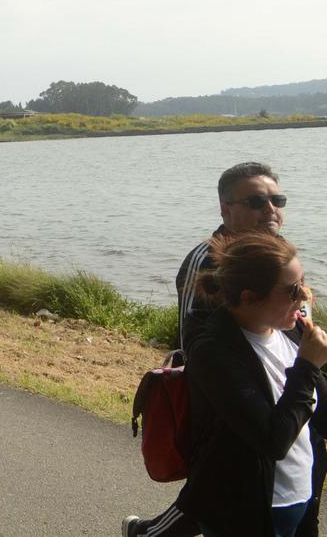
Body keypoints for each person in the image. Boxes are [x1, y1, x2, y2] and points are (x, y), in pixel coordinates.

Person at [124, 162, 289, 537]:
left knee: (224, 490)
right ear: (225, 209)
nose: (270, 210)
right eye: (256, 201)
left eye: (277, 199)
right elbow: (192, 344)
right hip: (221, 400)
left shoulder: (278, 258)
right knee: (213, 489)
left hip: (274, 391)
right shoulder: (207, 259)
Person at [179, 231, 327, 537]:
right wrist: (308, 365)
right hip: (246, 509)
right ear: (248, 297)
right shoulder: (212, 351)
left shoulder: (290, 330)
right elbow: (272, 439)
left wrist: (316, 366)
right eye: (292, 290)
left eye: (303, 283)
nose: (304, 297)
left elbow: (318, 411)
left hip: (301, 496)